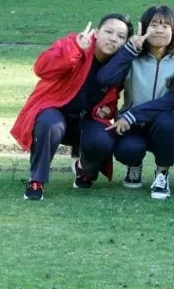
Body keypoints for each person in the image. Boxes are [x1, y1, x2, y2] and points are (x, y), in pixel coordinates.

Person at [10, 14, 131, 200]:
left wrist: (108, 110)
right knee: (50, 123)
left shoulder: (117, 66)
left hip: (84, 121)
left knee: (103, 139)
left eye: (121, 36)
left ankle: (84, 170)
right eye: (109, 32)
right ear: (97, 33)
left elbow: (111, 101)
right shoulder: (74, 43)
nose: (114, 38)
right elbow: (41, 68)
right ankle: (37, 181)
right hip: (54, 114)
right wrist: (74, 49)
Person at [98, 5, 174, 200]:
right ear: (144, 28)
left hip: (160, 123)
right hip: (131, 126)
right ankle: (134, 164)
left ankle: (162, 174)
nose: (159, 30)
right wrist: (128, 51)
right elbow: (104, 78)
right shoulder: (132, 56)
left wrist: (132, 114)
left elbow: (171, 100)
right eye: (154, 24)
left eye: (165, 25)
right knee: (128, 150)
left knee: (167, 122)